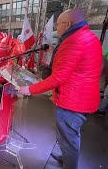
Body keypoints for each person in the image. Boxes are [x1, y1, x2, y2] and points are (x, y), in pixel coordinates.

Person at [16, 9, 102, 169]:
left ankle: (69, 162)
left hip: (73, 101)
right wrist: (53, 52)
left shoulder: (72, 42)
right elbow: (74, 65)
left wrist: (29, 89)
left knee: (69, 137)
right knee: (71, 135)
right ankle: (66, 155)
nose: (56, 28)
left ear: (68, 24)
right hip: (83, 97)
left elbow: (58, 77)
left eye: (58, 24)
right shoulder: (88, 37)